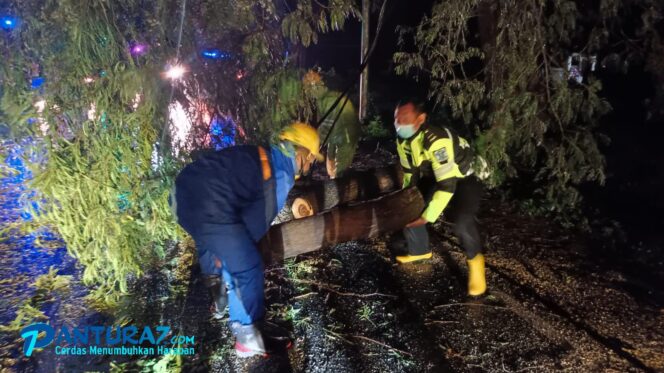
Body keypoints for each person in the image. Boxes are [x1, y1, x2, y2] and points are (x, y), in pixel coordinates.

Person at [170, 122, 323, 357]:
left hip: (181, 194)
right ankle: (247, 337)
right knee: (247, 265)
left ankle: (220, 301)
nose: (311, 162)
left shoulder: (262, 154)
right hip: (207, 205)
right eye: (311, 156)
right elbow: (250, 234)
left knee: (209, 240)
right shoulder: (280, 174)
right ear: (300, 152)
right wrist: (240, 259)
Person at [393, 99, 487, 296]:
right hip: (439, 176)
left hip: (467, 176)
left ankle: (476, 264)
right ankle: (418, 250)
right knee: (411, 205)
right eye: (397, 118)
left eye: (405, 119)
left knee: (462, 221)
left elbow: (447, 186)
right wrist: (406, 199)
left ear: (421, 119)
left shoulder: (436, 140)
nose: (400, 123)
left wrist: (427, 217)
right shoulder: (402, 140)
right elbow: (410, 174)